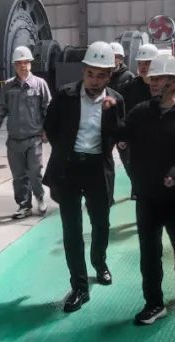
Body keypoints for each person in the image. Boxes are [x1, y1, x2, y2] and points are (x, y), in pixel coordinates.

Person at [117, 54, 175, 326]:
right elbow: (122, 133)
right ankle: (154, 303)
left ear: (174, 81)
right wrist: (110, 114)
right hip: (146, 194)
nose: (153, 83)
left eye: (158, 78)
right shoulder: (140, 113)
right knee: (149, 250)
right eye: (151, 79)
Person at [43, 41, 125, 313]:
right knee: (72, 229)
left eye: (101, 75)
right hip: (68, 169)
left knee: (101, 223)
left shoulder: (116, 100)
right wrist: (65, 150)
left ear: (109, 75)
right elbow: (51, 127)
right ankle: (79, 286)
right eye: (91, 73)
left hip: (98, 169)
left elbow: (120, 134)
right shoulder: (65, 95)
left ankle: (99, 263)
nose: (95, 80)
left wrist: (111, 115)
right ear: (83, 70)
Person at [0, 45, 53, 219]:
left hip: (34, 138)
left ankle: (40, 197)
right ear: (15, 65)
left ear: (30, 64)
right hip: (14, 140)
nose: (23, 66)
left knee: (34, 172)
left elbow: (48, 108)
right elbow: (1, 108)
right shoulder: (8, 86)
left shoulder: (40, 84)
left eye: (26, 62)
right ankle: (24, 206)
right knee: (19, 176)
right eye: (19, 63)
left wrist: (47, 130)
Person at [117, 43, 159, 200]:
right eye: (140, 63)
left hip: (158, 137)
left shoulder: (164, 86)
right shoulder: (129, 87)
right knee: (134, 168)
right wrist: (122, 136)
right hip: (135, 139)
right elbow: (122, 113)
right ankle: (137, 189)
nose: (143, 67)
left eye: (147, 63)